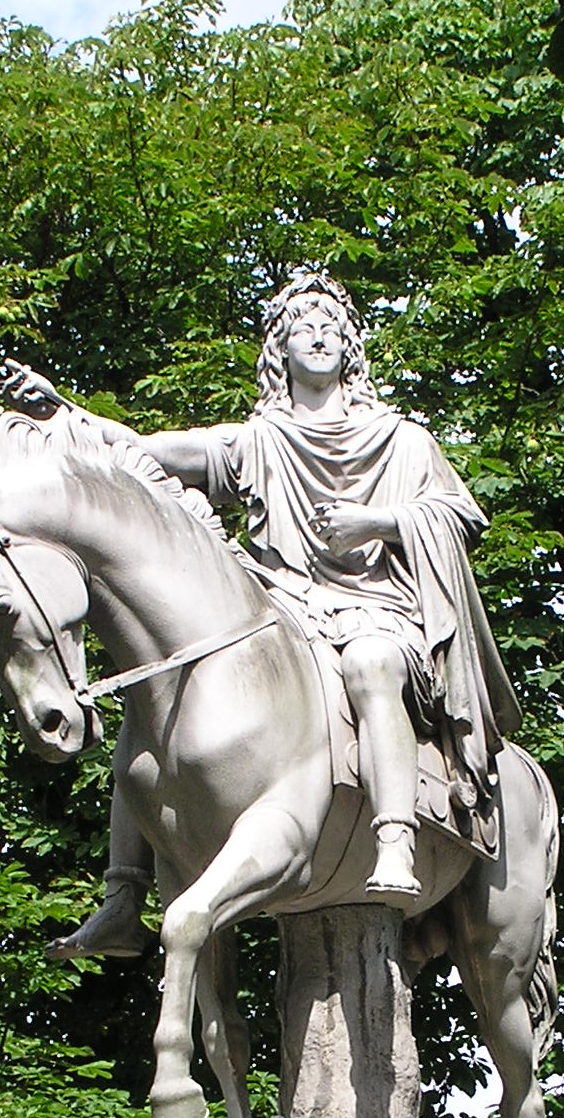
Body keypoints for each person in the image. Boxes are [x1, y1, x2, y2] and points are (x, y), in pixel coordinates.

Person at [46, 269, 520, 958]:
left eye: (333, 328)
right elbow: (146, 449)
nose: (321, 336)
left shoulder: (402, 439)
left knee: (371, 662)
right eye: (305, 327)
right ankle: (124, 896)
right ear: (281, 351)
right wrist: (66, 416)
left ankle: (394, 838)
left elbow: (459, 515)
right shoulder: (258, 442)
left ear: (351, 350)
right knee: (156, 702)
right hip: (284, 609)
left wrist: (377, 520)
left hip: (374, 608)